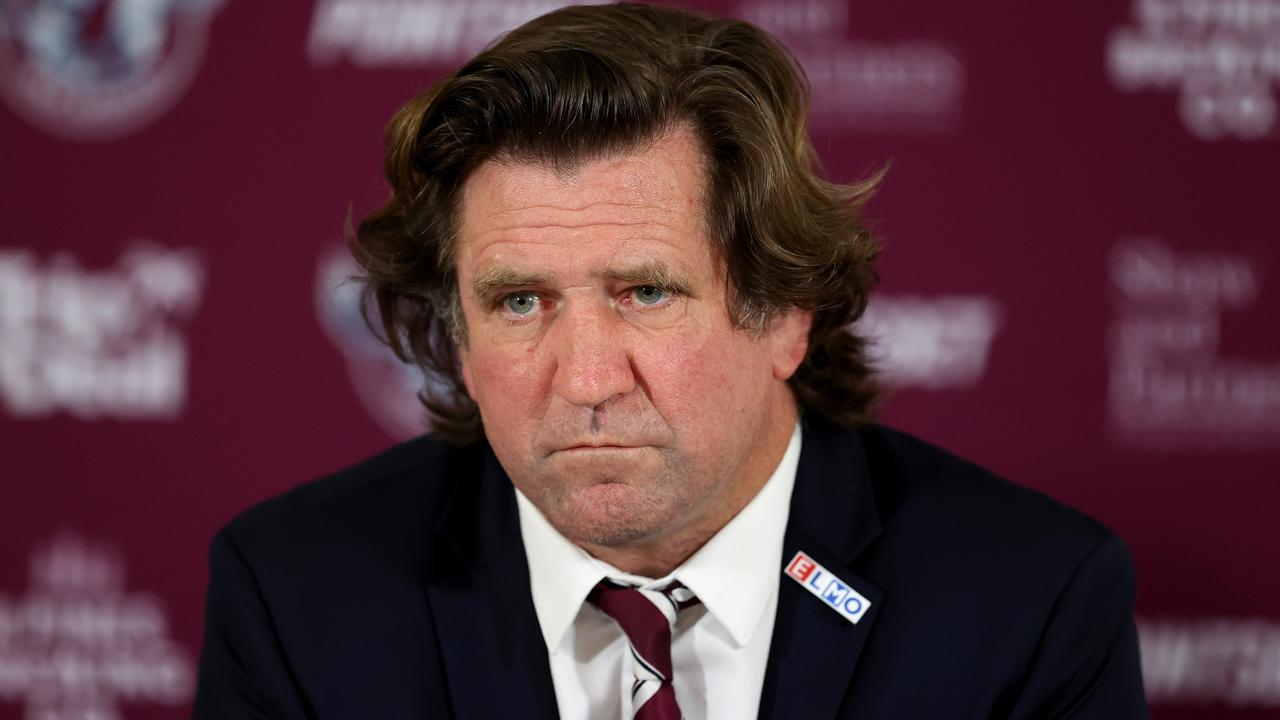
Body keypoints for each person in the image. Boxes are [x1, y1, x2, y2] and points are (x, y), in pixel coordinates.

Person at [193, 3, 1147, 718]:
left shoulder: (1030, 603)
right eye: (520, 302)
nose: (586, 379)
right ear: (459, 337)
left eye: (646, 293)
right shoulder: (298, 597)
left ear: (784, 315)